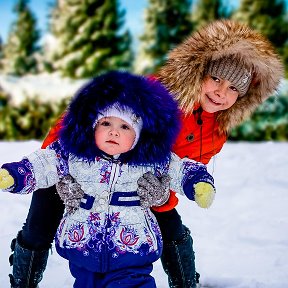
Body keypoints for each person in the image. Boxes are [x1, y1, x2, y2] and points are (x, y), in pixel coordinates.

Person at [6, 19, 284, 288]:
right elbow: (80, 119)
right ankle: (23, 280)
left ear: (244, 98)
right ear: (200, 72)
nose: (221, 92)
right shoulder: (155, 92)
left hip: (137, 186)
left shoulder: (215, 133)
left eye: (234, 88)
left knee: (172, 230)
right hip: (82, 169)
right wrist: (63, 171)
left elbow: (185, 172)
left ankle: (185, 282)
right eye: (216, 78)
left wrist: (163, 195)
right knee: (40, 224)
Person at [0, 71, 216, 287]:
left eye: (124, 127)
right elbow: (43, 163)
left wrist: (197, 183)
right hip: (83, 249)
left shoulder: (149, 160)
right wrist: (14, 175)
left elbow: (181, 168)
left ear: (137, 136)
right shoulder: (73, 153)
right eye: (106, 124)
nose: (114, 132)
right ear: (93, 126)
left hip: (131, 250)